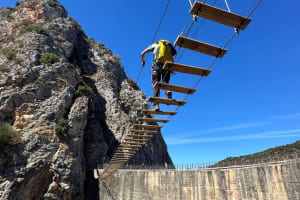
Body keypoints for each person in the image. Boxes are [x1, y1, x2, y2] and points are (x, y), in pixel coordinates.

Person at [141, 40, 176, 111]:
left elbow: (142, 53)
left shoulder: (154, 45)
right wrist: (171, 69)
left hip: (156, 65)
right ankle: (167, 91)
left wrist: (143, 61)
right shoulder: (168, 47)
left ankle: (156, 105)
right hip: (167, 66)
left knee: (156, 84)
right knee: (165, 82)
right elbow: (173, 54)